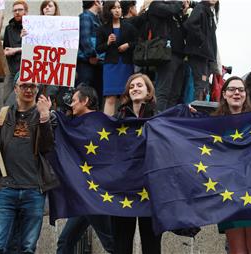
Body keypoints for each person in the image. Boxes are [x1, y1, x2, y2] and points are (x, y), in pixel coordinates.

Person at [0, 73, 59, 254]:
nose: (28, 89)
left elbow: (47, 148)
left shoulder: (47, 115)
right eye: (24, 85)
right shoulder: (1, 115)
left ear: (37, 89)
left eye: (32, 86)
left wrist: (44, 118)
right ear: (15, 88)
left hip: (34, 189)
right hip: (5, 189)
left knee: (27, 248)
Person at [213, 76, 251, 254]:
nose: (236, 93)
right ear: (224, 94)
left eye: (240, 89)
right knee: (236, 250)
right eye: (232, 89)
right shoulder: (213, 124)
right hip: (229, 194)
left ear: (246, 94)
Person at [56, 85, 114, 254]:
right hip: (84, 196)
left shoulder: (102, 123)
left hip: (97, 195)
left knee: (111, 243)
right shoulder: (74, 125)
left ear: (85, 101)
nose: (71, 105)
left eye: (74, 101)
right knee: (65, 241)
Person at [113, 73, 161, 254]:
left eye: (139, 85)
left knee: (152, 245)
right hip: (124, 187)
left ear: (148, 91)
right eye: (131, 87)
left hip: (150, 189)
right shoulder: (119, 118)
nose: (135, 89)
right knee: (122, 243)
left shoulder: (158, 117)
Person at [97, 0, 137, 116]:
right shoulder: (102, 29)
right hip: (110, 65)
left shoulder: (129, 26)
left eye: (119, 7)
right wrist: (108, 43)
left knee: (126, 97)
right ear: (108, 10)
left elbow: (138, 41)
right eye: (114, 8)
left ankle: (127, 125)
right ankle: (107, 126)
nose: (117, 10)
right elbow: (98, 49)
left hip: (126, 64)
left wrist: (128, 45)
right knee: (110, 97)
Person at [147, 0, 188, 113]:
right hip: (166, 55)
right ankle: (158, 120)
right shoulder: (155, 5)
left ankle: (169, 122)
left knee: (175, 94)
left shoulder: (175, 13)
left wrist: (184, 14)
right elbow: (171, 9)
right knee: (163, 92)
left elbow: (184, 32)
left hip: (180, 55)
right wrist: (180, 3)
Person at [184, 0, 219, 101]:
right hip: (199, 54)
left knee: (203, 87)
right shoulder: (201, 8)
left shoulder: (208, 12)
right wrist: (203, 42)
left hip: (205, 56)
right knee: (201, 86)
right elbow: (190, 24)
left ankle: (200, 112)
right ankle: (197, 114)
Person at [77, 0, 104, 103]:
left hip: (96, 63)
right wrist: (92, 56)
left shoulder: (96, 18)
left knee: (94, 97)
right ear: (96, 2)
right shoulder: (86, 17)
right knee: (84, 95)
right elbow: (85, 40)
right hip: (87, 64)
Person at [3, 0, 28, 103]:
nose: (17, 12)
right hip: (12, 69)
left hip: (27, 69)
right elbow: (5, 48)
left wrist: (17, 48)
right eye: (15, 10)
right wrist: (6, 52)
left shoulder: (32, 26)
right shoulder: (8, 28)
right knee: (6, 99)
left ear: (26, 11)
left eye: (20, 10)